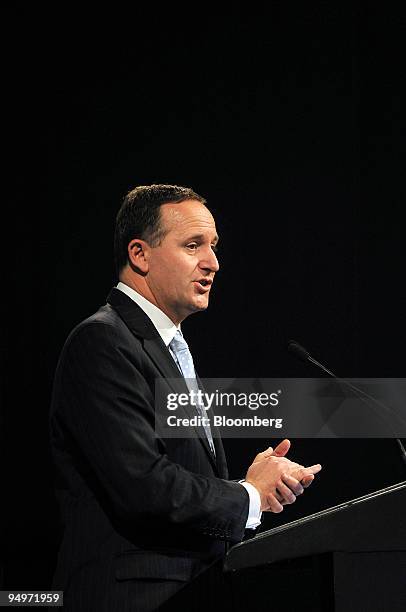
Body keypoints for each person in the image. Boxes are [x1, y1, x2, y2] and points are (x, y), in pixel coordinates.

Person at [49, 184, 321, 612]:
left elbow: (172, 474)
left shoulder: (164, 347)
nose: (212, 262)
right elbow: (144, 487)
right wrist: (248, 495)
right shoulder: (102, 342)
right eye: (193, 245)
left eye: (213, 246)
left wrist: (244, 489)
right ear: (140, 255)